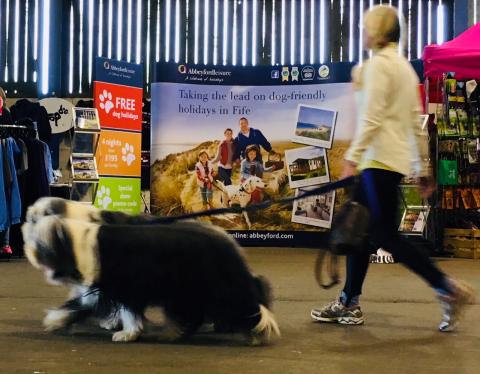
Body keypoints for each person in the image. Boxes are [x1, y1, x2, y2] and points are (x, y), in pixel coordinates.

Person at [311, 5, 474, 332]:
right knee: (358, 232)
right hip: (391, 164)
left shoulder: (377, 69)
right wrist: (421, 167)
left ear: (380, 32)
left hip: (376, 162)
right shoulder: (404, 70)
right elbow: (414, 125)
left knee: (384, 234)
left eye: (366, 27)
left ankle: (447, 289)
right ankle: (348, 301)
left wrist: (351, 158)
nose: (363, 33)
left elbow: (371, 120)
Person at [0, 87, 15, 257]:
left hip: (4, 158)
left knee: (6, 199)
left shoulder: (7, 113)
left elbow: (10, 134)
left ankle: (5, 243)